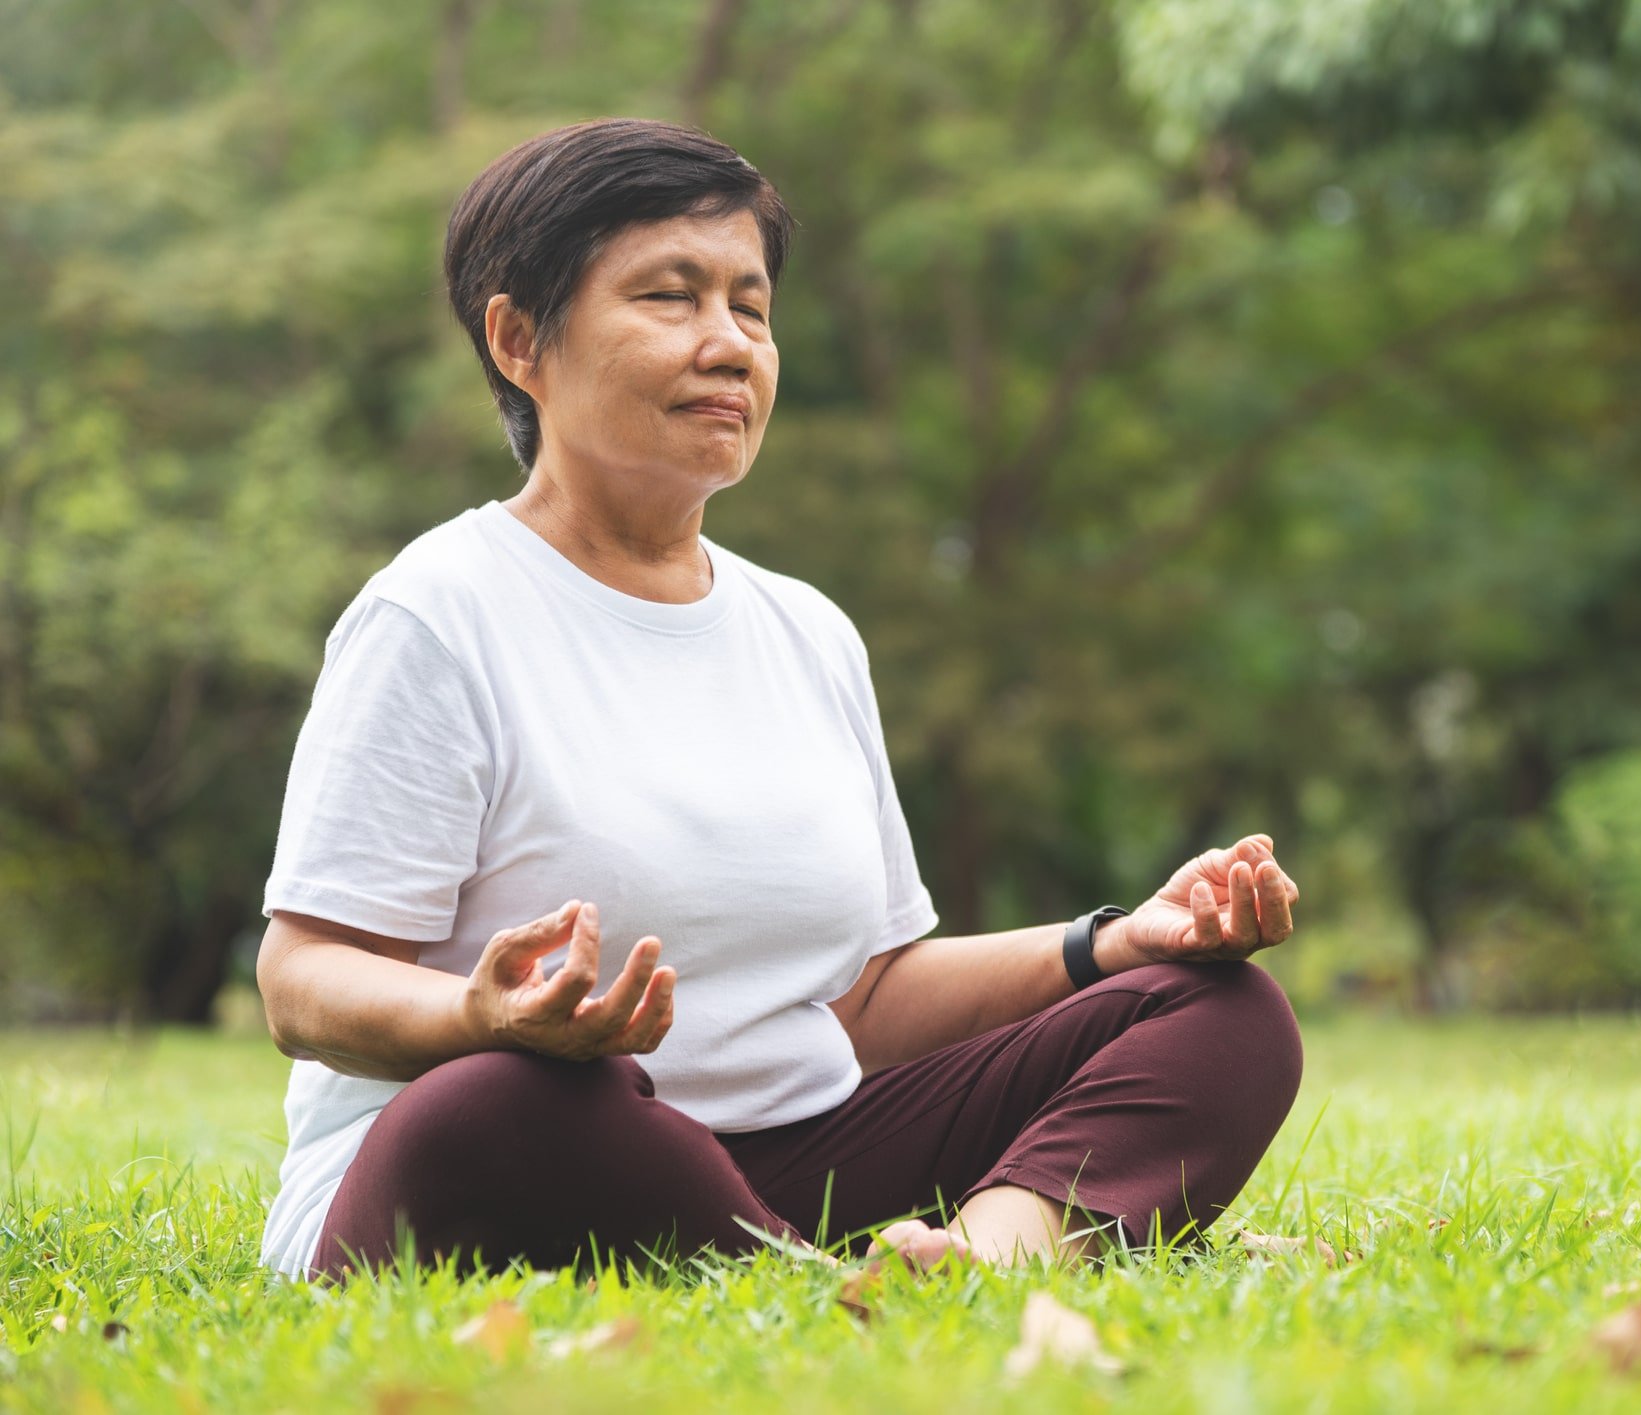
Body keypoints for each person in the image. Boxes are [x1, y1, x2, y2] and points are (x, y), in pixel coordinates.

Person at [253, 118, 1304, 1281]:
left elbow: (865, 997)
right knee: (506, 1098)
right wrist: (479, 1019)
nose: (729, 345)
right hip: (522, 1156)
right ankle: (813, 1275)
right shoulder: (439, 614)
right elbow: (302, 979)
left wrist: (1109, 942)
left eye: (750, 308)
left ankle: (983, 1259)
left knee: (1217, 1012)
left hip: (801, 1152)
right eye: (670, 297)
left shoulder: (805, 629)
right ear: (518, 340)